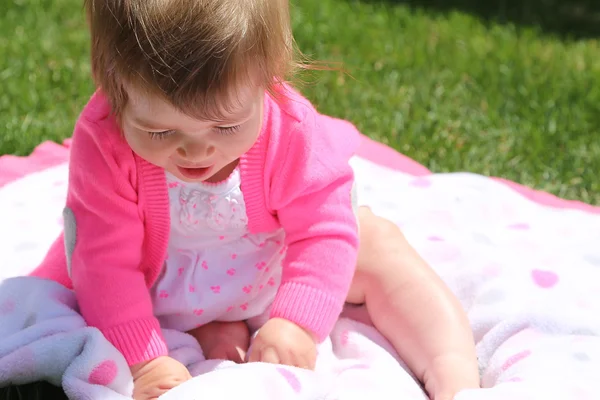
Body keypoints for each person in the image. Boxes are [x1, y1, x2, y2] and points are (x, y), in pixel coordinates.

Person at [30, 1, 480, 399]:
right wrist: (143, 359)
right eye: (160, 132)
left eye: (225, 127)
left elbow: (324, 229)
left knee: (378, 243)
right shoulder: (104, 140)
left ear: (268, 76)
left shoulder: (289, 127)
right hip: (158, 283)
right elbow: (104, 263)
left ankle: (455, 374)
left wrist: (297, 321)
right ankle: (211, 329)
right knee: (79, 287)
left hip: (272, 267)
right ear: (113, 83)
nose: (196, 151)